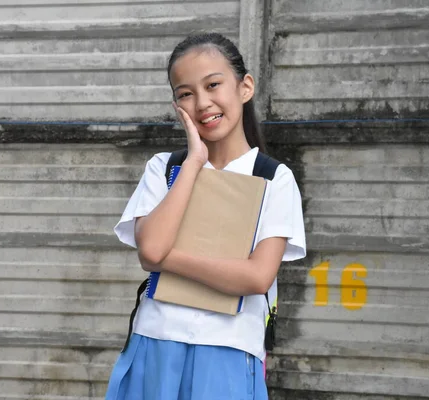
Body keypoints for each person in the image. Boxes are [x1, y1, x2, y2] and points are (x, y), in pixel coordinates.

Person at [104, 32, 306, 400]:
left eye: (213, 85)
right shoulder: (164, 168)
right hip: (155, 344)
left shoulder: (273, 178)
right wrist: (195, 160)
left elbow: (257, 276)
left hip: (228, 352)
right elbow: (150, 249)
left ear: (245, 87)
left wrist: (167, 258)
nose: (202, 103)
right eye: (185, 93)